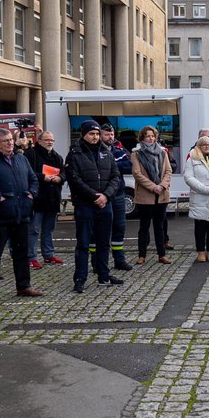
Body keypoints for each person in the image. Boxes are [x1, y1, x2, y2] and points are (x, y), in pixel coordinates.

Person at [0, 127, 43, 305]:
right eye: (6, 141)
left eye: (11, 140)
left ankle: (23, 285)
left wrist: (32, 194)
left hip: (21, 214)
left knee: (21, 253)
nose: (10, 143)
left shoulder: (21, 158)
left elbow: (33, 178)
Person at [66, 119, 124, 292]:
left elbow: (115, 176)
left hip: (105, 204)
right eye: (92, 133)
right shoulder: (75, 154)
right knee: (83, 243)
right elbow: (74, 179)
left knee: (104, 242)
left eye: (97, 133)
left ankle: (103, 275)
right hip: (85, 205)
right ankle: (80, 278)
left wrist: (106, 195)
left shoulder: (107, 152)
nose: (95, 137)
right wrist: (93, 196)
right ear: (84, 134)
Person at [131, 125, 172, 266]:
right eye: (148, 136)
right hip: (145, 195)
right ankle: (142, 254)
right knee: (144, 226)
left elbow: (168, 171)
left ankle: (162, 254)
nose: (151, 138)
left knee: (159, 226)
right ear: (142, 137)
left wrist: (162, 185)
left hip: (161, 195)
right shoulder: (136, 153)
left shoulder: (162, 153)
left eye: (153, 136)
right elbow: (137, 174)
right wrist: (153, 186)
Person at [26, 130, 66, 268]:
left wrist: (60, 178)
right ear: (39, 140)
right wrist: (43, 177)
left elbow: (64, 172)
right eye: (47, 140)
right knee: (33, 229)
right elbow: (27, 173)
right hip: (37, 199)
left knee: (49, 229)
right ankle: (31, 257)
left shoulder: (57, 157)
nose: (50, 142)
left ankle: (48, 255)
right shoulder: (31, 154)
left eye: (52, 140)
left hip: (53, 198)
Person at [99, 124, 134, 270]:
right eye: (106, 134)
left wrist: (111, 165)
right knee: (101, 229)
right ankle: (98, 262)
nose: (110, 137)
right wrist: (114, 165)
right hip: (102, 194)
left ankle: (119, 259)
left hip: (118, 193)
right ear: (100, 135)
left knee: (119, 227)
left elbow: (129, 165)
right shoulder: (95, 151)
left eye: (111, 134)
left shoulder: (119, 150)